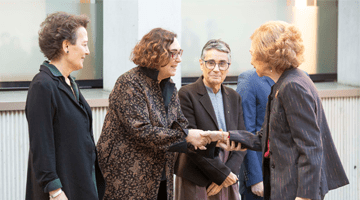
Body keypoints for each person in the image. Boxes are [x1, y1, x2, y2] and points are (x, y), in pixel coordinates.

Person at [211, 21, 349, 200]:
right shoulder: (283, 83)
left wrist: (305, 196)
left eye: (253, 53)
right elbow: (266, 137)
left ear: (267, 54)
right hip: (284, 186)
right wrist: (227, 137)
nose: (251, 59)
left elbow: (311, 147)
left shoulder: (292, 86)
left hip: (295, 190)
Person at [96, 28, 211, 200]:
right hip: (128, 181)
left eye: (180, 53)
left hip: (160, 177)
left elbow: (179, 127)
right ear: (156, 54)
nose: (179, 59)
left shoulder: (169, 86)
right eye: (173, 53)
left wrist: (207, 140)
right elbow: (141, 131)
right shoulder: (129, 82)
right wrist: (187, 136)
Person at [25, 12, 105, 200]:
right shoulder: (43, 85)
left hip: (80, 183)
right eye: (84, 45)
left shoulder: (70, 83)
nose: (88, 52)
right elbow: (41, 144)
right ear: (66, 46)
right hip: (61, 192)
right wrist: (55, 191)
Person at [174, 39, 246, 200]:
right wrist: (221, 173)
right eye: (210, 63)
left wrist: (226, 175)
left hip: (227, 175)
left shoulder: (234, 96)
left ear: (228, 66)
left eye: (222, 63)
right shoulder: (186, 94)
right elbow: (191, 143)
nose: (216, 69)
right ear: (201, 64)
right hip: (196, 176)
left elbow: (242, 140)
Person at [236, 69, 274, 199]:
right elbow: (245, 132)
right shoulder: (250, 80)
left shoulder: (299, 76)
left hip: (288, 176)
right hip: (261, 176)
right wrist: (255, 178)